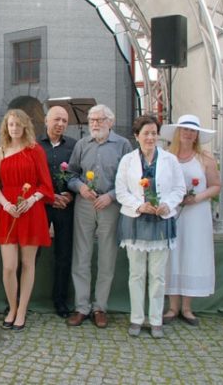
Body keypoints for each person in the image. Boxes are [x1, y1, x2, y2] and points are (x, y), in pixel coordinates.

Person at [115, 115, 185, 338]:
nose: (151, 137)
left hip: (161, 222)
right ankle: (136, 318)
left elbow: (179, 189)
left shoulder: (170, 160)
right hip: (135, 221)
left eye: (154, 133)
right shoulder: (127, 160)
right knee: (136, 273)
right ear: (136, 136)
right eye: (146, 133)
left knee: (157, 275)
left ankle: (156, 320)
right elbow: (121, 191)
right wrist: (139, 206)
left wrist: (168, 204)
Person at [66, 104, 132, 328]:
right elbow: (71, 174)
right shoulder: (82, 144)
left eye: (100, 119)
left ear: (110, 122)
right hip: (84, 204)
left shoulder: (123, 145)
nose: (94, 124)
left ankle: (100, 307)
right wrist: (80, 188)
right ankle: (81, 307)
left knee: (106, 258)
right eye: (91, 120)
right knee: (81, 256)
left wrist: (112, 196)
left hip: (109, 205)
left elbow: (129, 179)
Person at [0, 109, 54, 331]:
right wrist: (5, 205)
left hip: (32, 211)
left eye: (18, 124)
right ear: (6, 127)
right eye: (11, 125)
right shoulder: (1, 151)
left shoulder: (35, 150)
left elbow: (46, 185)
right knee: (9, 267)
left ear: (25, 126)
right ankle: (12, 306)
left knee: (28, 264)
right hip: (8, 212)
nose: (14, 128)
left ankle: (22, 311)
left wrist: (33, 199)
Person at [161, 114, 220, 326]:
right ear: (178, 132)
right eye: (185, 129)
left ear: (197, 135)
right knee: (172, 254)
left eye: (192, 130)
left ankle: (187, 307)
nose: (188, 133)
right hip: (173, 212)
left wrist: (196, 198)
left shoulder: (205, 159)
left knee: (192, 254)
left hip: (196, 214)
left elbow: (215, 186)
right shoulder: (167, 157)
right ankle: (172, 306)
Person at [38, 105, 77, 318]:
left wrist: (71, 195)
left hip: (66, 206)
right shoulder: (34, 145)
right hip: (41, 206)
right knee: (32, 253)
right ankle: (21, 299)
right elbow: (31, 177)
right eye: (56, 120)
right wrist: (50, 197)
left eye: (64, 120)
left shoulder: (74, 145)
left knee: (63, 255)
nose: (60, 124)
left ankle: (60, 300)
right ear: (46, 120)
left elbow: (79, 173)